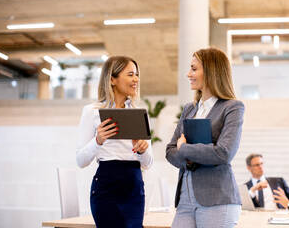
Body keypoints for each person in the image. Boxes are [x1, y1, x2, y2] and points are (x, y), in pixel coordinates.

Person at [165, 47, 244, 228]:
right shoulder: (189, 109)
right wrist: (190, 160)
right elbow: (170, 150)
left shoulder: (232, 107)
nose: (188, 74)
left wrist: (185, 149)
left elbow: (224, 153)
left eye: (194, 69)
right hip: (185, 199)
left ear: (211, 71)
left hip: (217, 199)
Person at [76, 56, 153, 228]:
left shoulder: (139, 113)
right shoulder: (92, 112)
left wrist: (142, 150)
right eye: (131, 74)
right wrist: (98, 140)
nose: (136, 79)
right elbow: (80, 161)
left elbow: (148, 163)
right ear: (112, 79)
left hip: (134, 190)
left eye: (137, 75)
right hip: (106, 190)